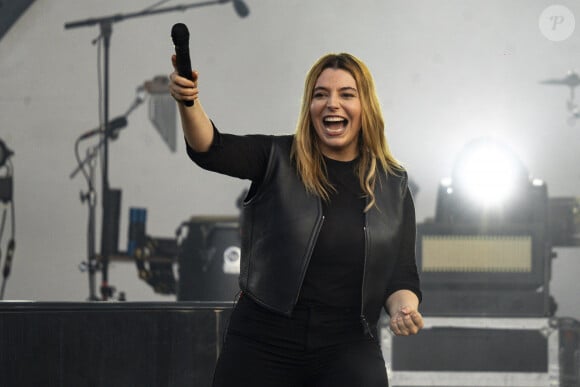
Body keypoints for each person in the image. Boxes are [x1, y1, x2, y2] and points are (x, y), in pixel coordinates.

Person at [170, 52, 423, 387]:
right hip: (263, 340)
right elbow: (209, 148)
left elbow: (400, 276)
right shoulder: (276, 158)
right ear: (309, 106)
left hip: (347, 343)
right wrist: (188, 102)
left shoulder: (393, 185)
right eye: (321, 94)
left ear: (366, 107)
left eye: (346, 94)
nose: (332, 104)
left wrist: (404, 310)